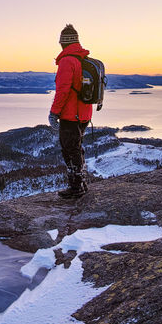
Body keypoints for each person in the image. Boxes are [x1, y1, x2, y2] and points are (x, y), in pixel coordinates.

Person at [48, 24, 92, 198]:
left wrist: (54, 113)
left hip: (70, 115)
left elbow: (63, 90)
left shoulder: (67, 61)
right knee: (76, 147)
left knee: (69, 149)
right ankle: (80, 183)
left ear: (63, 43)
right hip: (84, 114)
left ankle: (76, 187)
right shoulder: (84, 60)